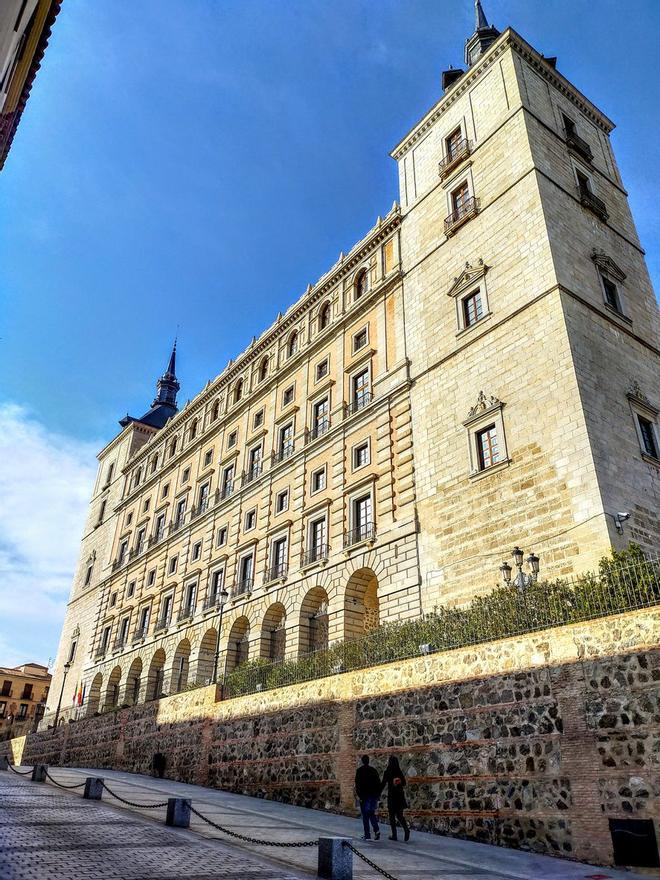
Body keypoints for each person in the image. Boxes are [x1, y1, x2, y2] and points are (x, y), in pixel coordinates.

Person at [381, 755, 410, 842]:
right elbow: (404, 783)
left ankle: (394, 835)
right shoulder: (399, 771)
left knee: (392, 817)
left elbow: (383, 784)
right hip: (399, 796)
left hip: (392, 797)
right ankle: (406, 829)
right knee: (400, 816)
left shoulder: (387, 772)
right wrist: (399, 782)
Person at [354, 755, 381, 840]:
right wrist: (377, 795)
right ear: (368, 761)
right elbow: (378, 783)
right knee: (371, 813)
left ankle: (367, 834)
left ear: (362, 761)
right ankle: (376, 830)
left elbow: (357, 785)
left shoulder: (360, 771)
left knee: (365, 815)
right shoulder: (373, 770)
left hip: (364, 796)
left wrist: (360, 796)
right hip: (373, 796)